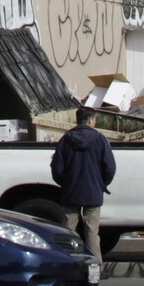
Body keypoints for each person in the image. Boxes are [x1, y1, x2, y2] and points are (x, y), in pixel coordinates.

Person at [50, 106, 115, 259]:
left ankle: (68, 262)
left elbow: (57, 169)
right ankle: (95, 265)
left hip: (70, 192)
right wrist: (101, 184)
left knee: (68, 230)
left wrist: (65, 183)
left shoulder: (65, 139)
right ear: (91, 120)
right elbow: (110, 168)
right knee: (92, 231)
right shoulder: (100, 140)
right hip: (93, 192)